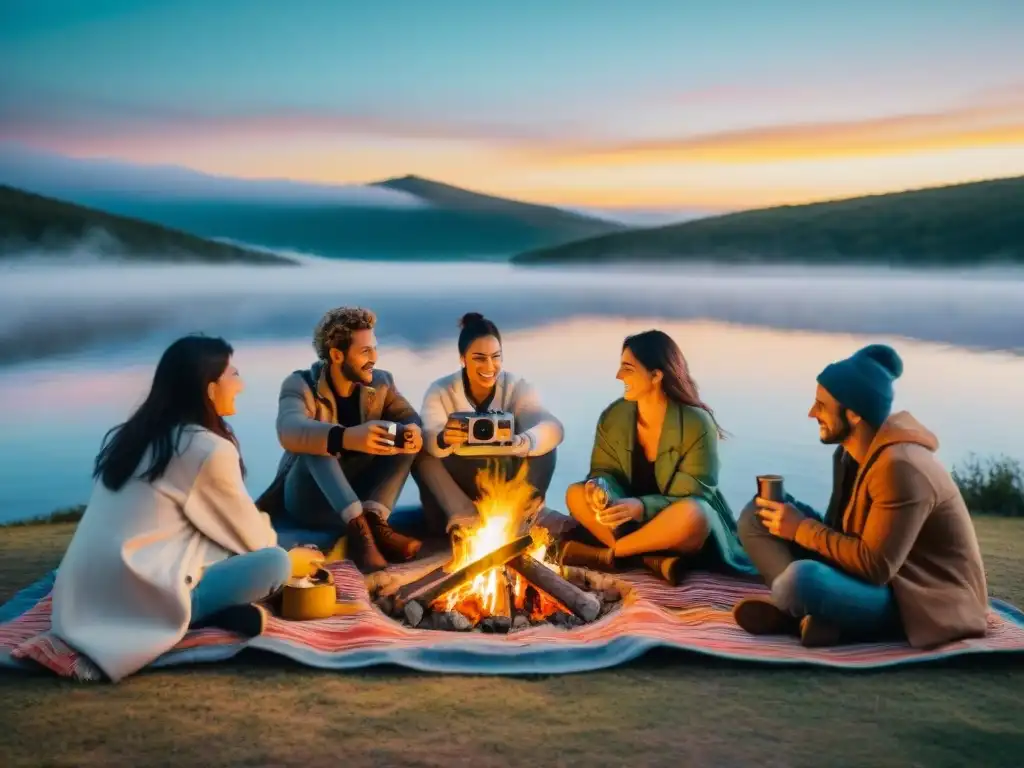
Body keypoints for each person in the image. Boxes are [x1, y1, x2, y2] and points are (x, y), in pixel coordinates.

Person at [51, 335, 293, 683]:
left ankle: (215, 610)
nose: (240, 385)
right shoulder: (206, 449)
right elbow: (255, 540)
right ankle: (196, 613)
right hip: (141, 600)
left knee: (215, 539)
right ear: (210, 389)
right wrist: (294, 556)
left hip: (82, 594)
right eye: (234, 374)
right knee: (276, 563)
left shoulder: (134, 436)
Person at [733, 344, 989, 648]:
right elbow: (839, 532)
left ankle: (802, 613)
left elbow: (875, 567)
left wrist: (800, 528)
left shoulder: (901, 467)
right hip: (868, 579)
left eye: (821, 405)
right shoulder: (848, 456)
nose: (812, 413)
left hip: (916, 599)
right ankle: (809, 616)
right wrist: (788, 518)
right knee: (757, 515)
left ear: (853, 414)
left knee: (801, 580)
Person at [560, 329, 753, 583]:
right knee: (575, 493)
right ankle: (646, 557)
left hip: (674, 525)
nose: (618, 376)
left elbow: (696, 493)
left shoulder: (696, 422)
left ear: (656, 375)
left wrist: (642, 507)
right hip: (626, 519)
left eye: (628, 368)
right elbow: (603, 471)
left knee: (694, 514)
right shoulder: (614, 416)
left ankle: (615, 553)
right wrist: (600, 491)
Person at [255, 306, 429, 573]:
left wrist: (413, 431)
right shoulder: (301, 384)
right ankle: (359, 532)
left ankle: (375, 523)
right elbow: (289, 430)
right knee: (317, 439)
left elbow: (409, 416)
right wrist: (346, 438)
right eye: (365, 351)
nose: (374, 358)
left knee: (402, 437)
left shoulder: (381, 382)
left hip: (359, 491)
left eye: (374, 349)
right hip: (310, 500)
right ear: (337, 355)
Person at [417, 312, 564, 535]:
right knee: (419, 447)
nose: (489, 366)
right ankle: (465, 521)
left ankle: (523, 516)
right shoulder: (441, 390)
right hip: (462, 481)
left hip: (507, 479)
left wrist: (521, 442)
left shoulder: (516, 387)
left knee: (544, 445)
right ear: (462, 358)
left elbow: (553, 427)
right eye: (479, 358)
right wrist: (443, 437)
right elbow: (429, 433)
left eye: (496, 357)